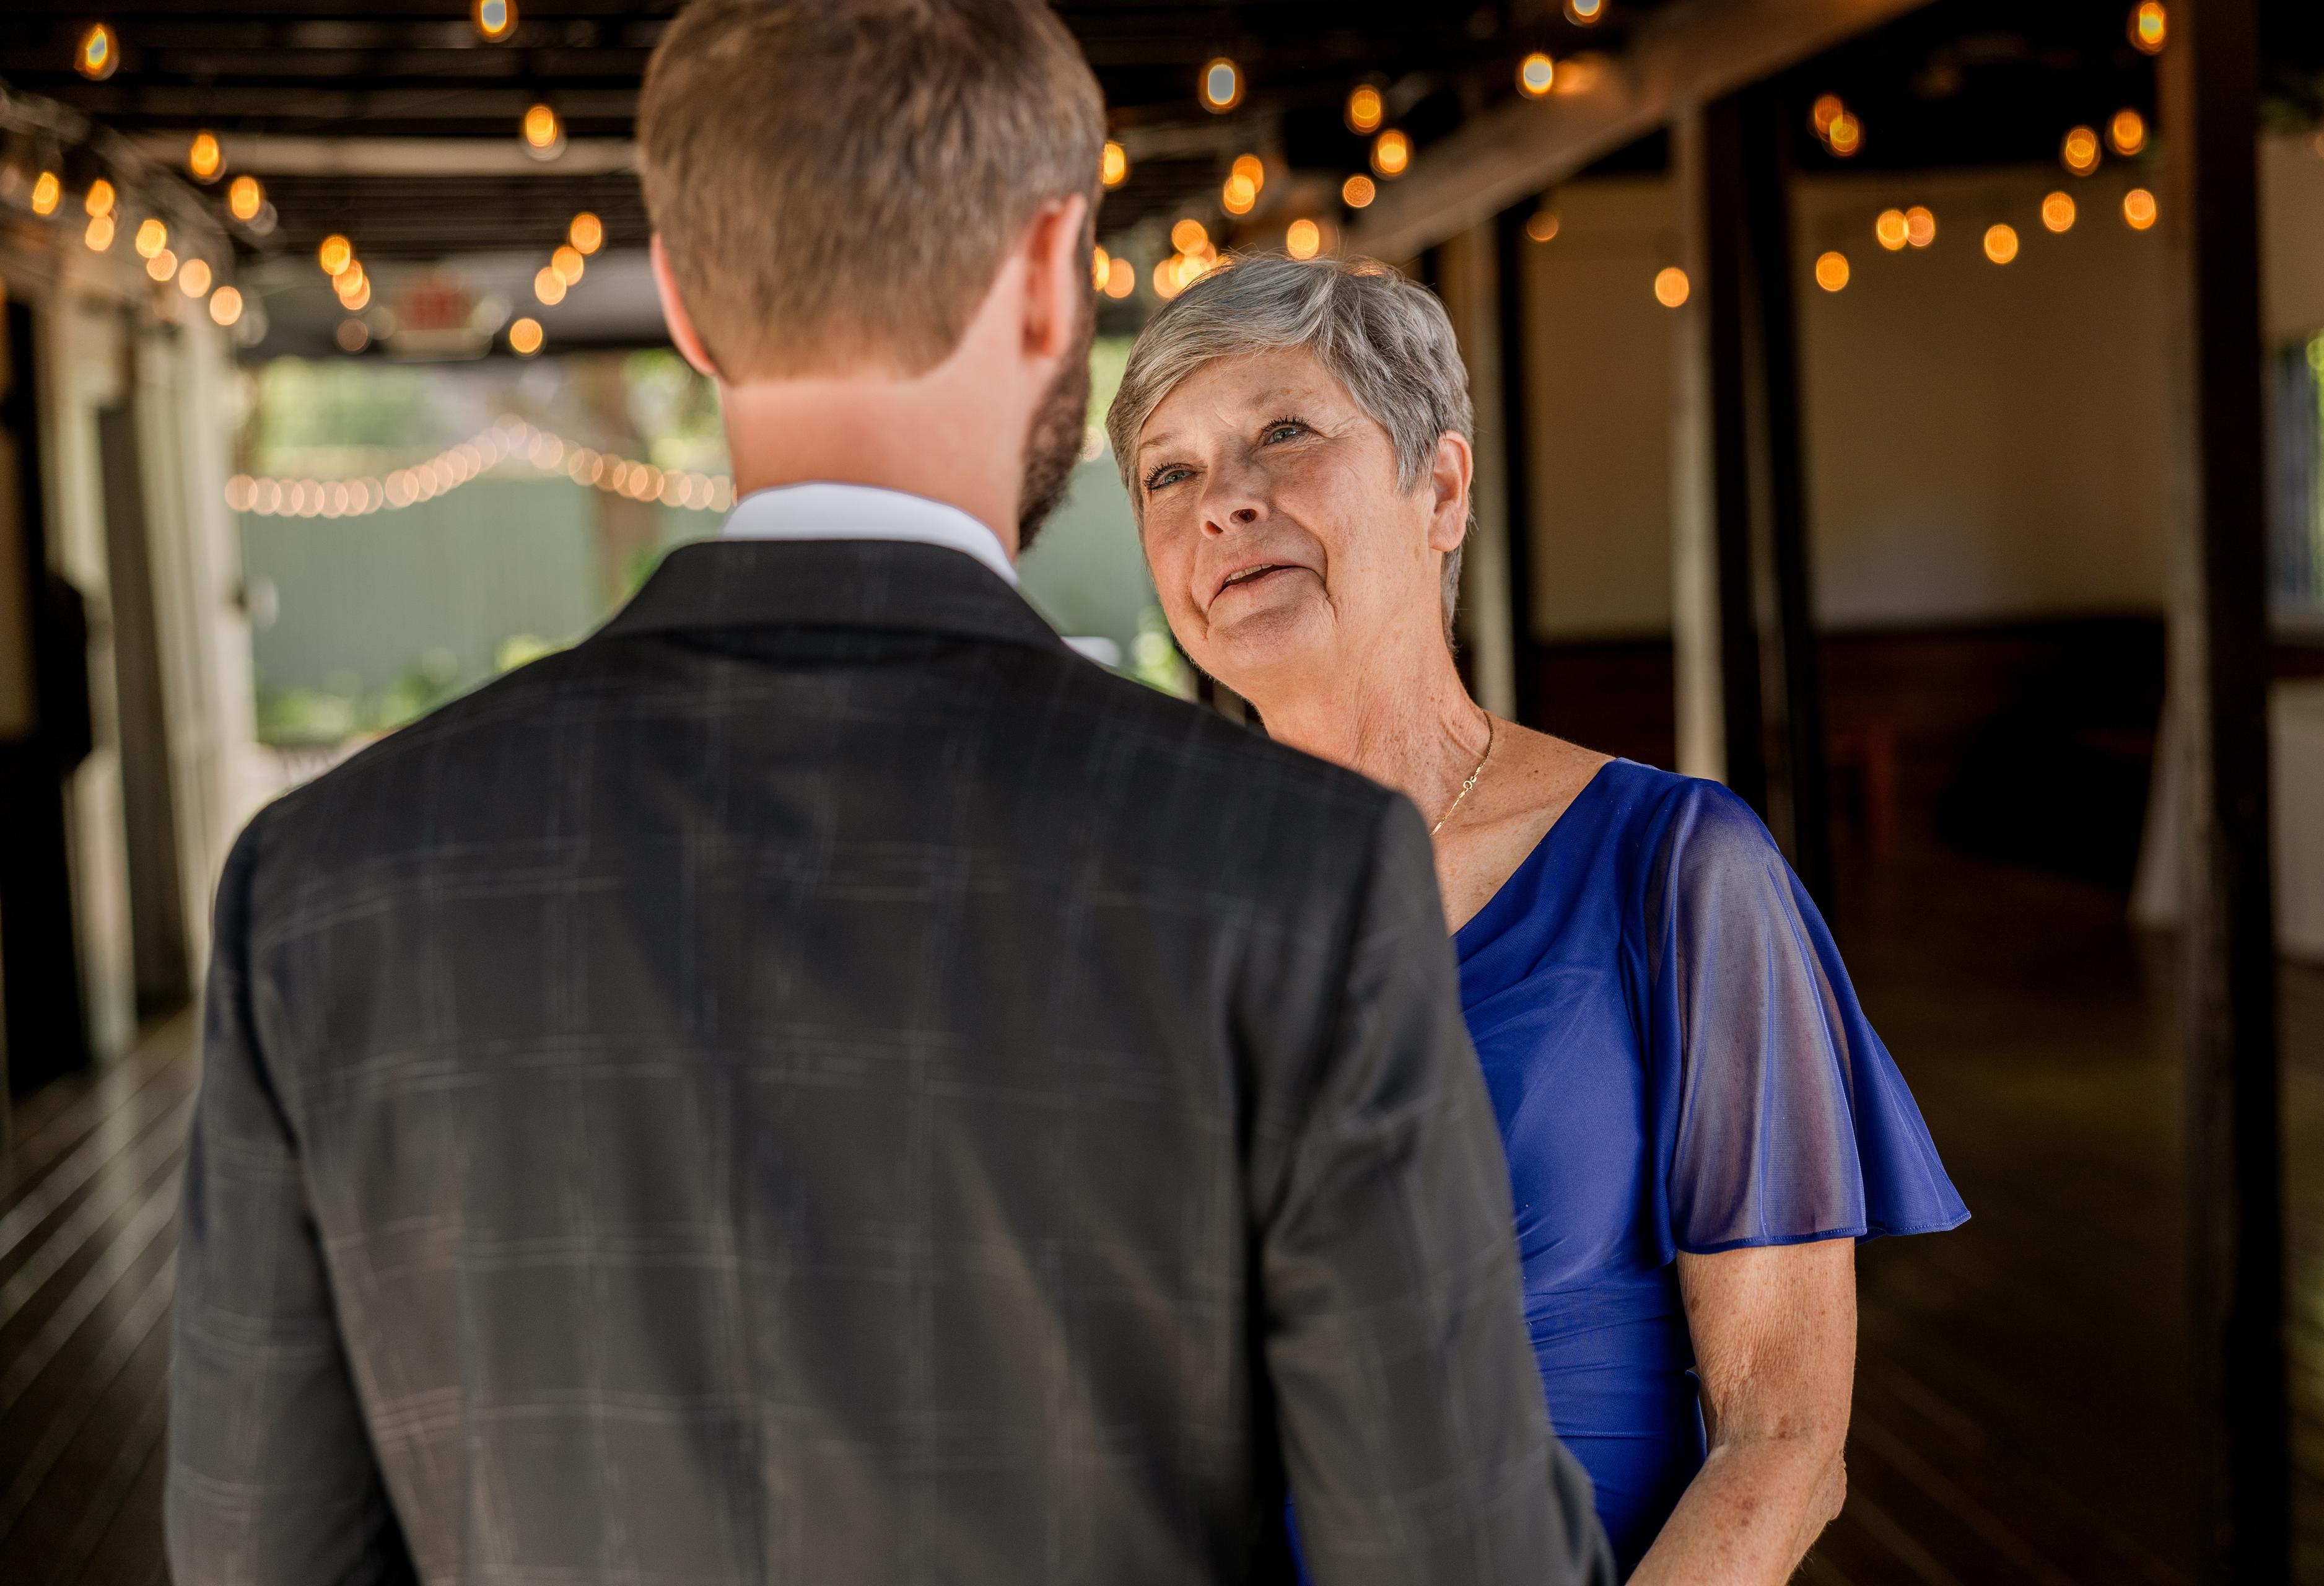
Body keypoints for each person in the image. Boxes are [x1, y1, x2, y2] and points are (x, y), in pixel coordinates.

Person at [164, 6, 1614, 1585]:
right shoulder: (1297, 869)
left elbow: (260, 1554)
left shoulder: (328, 881)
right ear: (1058, 270)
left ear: (695, 303)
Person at [1106, 253, 1971, 1582]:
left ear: (1441, 487)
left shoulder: (1673, 867)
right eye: (1169, 471)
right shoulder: (1138, 905)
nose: (1225, 501)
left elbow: (1787, 1437)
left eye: (1283, 430)